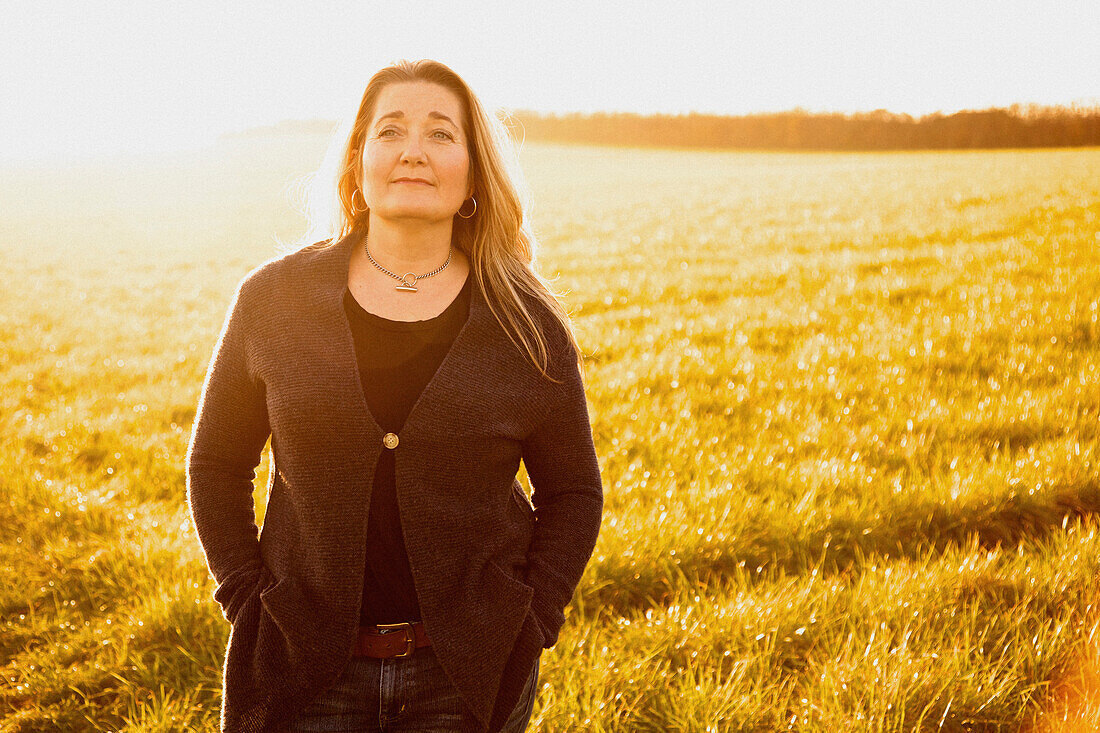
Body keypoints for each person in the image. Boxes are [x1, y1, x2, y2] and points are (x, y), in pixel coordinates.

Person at [186, 59, 603, 733]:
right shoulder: (273, 300)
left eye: (442, 133)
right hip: (301, 666)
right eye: (390, 131)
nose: (413, 149)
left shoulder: (525, 322)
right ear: (356, 161)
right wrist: (247, 597)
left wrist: (532, 619)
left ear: (473, 171)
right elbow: (215, 464)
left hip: (465, 676)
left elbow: (575, 491)